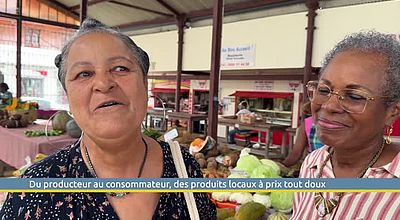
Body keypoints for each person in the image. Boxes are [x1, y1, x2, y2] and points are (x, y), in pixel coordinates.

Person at [0, 18, 216, 219]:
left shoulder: (185, 168)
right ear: (68, 99)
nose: (104, 84)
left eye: (120, 68)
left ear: (145, 84)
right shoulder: (32, 191)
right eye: (84, 74)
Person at [291, 31, 400, 219]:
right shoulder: (312, 164)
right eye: (324, 90)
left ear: (392, 112)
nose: (329, 105)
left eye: (354, 96)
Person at [282, 102, 324, 167]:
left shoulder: (341, 125)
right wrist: (281, 166)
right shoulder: (307, 124)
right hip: (315, 169)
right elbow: (296, 153)